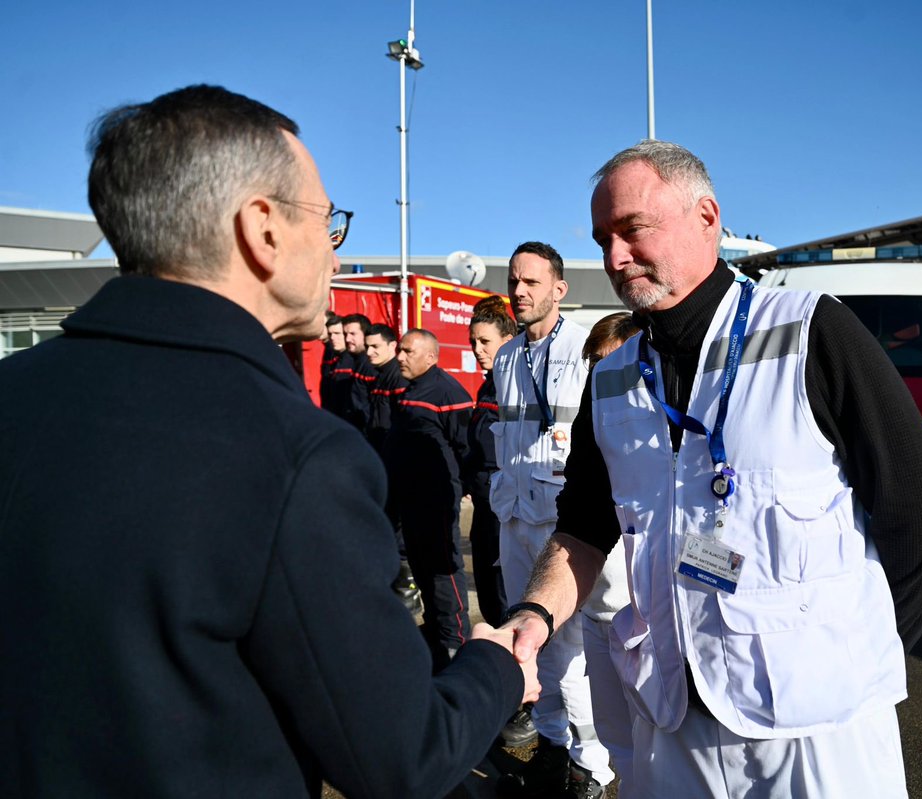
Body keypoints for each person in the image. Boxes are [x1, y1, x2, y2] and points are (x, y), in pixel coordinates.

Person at [0, 84, 538, 798]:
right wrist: (496, 665)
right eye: (327, 221)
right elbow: (402, 755)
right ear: (262, 229)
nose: (336, 257)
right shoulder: (298, 457)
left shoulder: (17, 392)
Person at [502, 140, 922, 798]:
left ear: (706, 217)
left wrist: (857, 666)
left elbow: (920, 517)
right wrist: (535, 614)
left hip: (815, 735)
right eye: (603, 237)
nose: (613, 257)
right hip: (672, 720)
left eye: (632, 229)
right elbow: (581, 531)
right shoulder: (610, 382)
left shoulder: (810, 334)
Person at [490, 242, 627, 798]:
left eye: (531, 282)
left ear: (559, 289)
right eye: (514, 281)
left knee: (571, 649)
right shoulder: (504, 357)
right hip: (514, 514)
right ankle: (550, 746)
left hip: (566, 524)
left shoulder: (586, 348)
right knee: (530, 642)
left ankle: (592, 765)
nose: (519, 292)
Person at [385, 328, 475, 671]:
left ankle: (456, 643)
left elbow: (466, 447)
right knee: (422, 570)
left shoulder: (448, 392)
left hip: (436, 503)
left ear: (431, 357)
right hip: (409, 502)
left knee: (442, 573)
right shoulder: (409, 390)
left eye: (408, 351)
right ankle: (437, 635)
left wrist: (459, 488)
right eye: (400, 350)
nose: (400, 357)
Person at [577, 311, 642, 783]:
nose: (603, 375)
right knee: (615, 739)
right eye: (595, 365)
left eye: (611, 361)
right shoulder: (592, 423)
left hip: (641, 616)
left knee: (656, 743)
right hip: (596, 609)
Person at [464, 295, 517, 629]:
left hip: (503, 509)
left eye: (485, 341)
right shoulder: (489, 385)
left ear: (507, 342)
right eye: (473, 342)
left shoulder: (515, 388)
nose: (477, 349)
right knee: (485, 588)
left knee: (501, 594)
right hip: (484, 506)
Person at [363, 322, 408, 454]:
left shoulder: (399, 377)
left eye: (375, 346)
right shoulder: (379, 375)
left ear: (392, 345)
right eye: (367, 346)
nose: (369, 352)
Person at [342, 312, 376, 430]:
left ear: (365, 335)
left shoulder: (370, 365)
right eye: (345, 334)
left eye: (352, 334)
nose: (347, 339)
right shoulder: (356, 362)